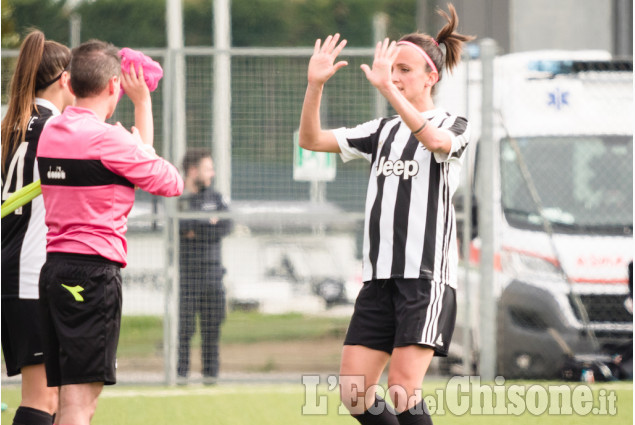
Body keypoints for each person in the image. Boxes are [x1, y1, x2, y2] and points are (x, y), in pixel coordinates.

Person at [298, 4, 473, 425]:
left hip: (425, 280)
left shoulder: (455, 124)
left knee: (402, 389)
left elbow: (435, 142)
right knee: (355, 393)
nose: (394, 76)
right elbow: (310, 140)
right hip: (379, 280)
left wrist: (391, 93)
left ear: (431, 76)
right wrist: (315, 85)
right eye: (391, 68)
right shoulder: (381, 131)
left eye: (404, 69)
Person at [35, 39, 183, 425]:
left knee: (68, 400)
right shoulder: (108, 140)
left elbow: (130, 161)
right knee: (81, 406)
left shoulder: (52, 132)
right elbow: (171, 182)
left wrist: (141, 111)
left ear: (70, 83)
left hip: (54, 273)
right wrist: (140, 119)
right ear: (114, 86)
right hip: (92, 277)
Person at [1, 30, 74, 425]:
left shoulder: (13, 124)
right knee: (43, 400)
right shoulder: (54, 129)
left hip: (16, 271)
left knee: (61, 399)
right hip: (30, 276)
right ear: (65, 80)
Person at [177, 148, 233, 384]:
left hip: (213, 276)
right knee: (184, 332)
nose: (212, 173)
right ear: (193, 171)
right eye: (208, 169)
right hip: (188, 277)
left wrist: (197, 229)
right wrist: (208, 225)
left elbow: (225, 227)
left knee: (212, 332)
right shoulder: (178, 198)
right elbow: (180, 228)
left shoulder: (216, 198)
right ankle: (179, 378)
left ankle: (211, 378)